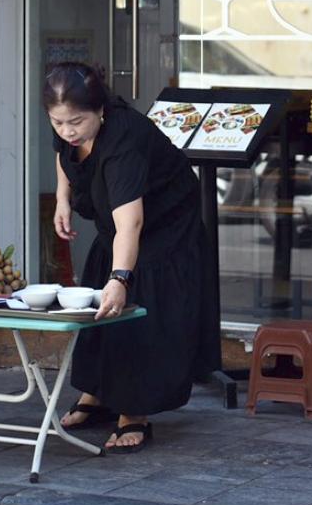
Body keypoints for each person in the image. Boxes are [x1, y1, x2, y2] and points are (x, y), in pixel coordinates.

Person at [46, 62, 217, 453]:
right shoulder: (67, 129)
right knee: (99, 305)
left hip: (164, 225)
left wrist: (121, 277)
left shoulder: (124, 139)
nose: (68, 131)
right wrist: (62, 199)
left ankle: (134, 412)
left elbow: (132, 223)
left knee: (138, 311)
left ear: (100, 109)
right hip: (118, 225)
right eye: (58, 122)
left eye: (76, 121)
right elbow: (63, 154)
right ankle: (98, 394)